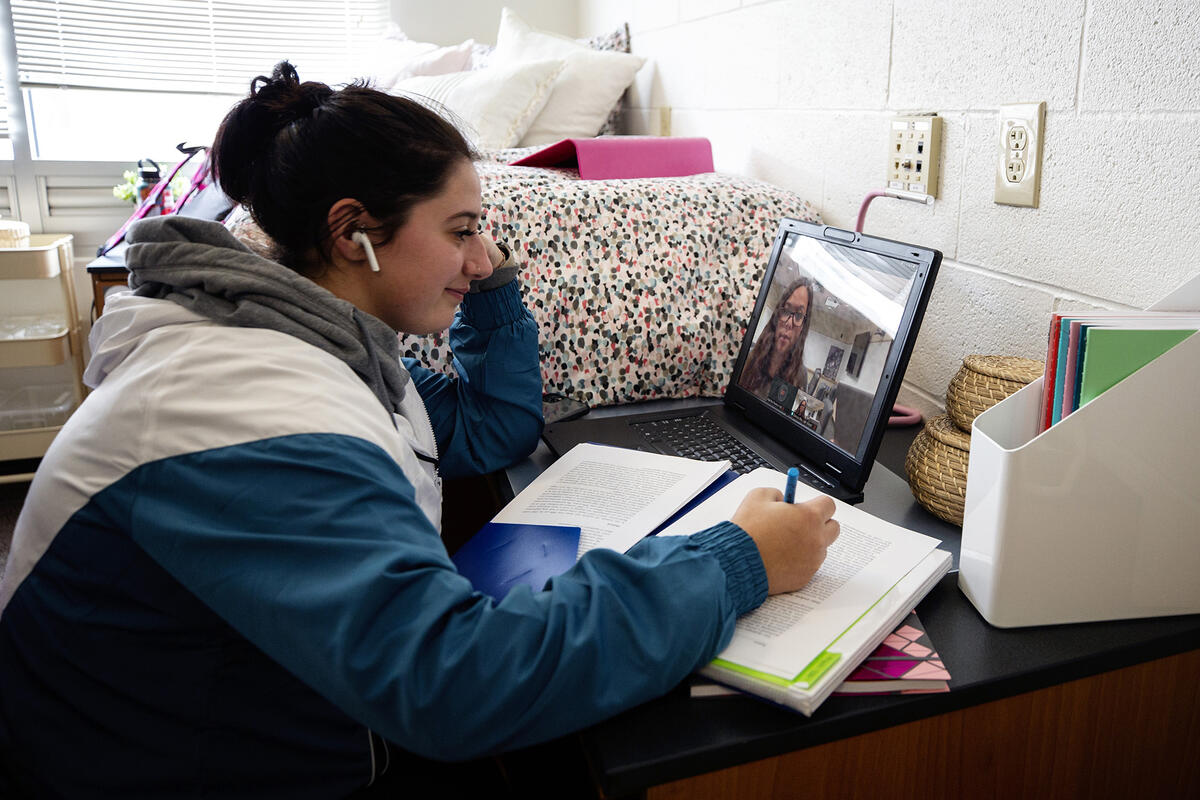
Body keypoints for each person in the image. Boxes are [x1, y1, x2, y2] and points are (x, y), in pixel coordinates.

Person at [0, 63, 839, 798]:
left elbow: (486, 430)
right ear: (354, 231)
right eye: (462, 230)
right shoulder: (248, 406)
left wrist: (488, 275)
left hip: (268, 726)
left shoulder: (316, 345)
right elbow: (453, 684)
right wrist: (738, 561)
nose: (483, 257)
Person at [740, 277, 814, 400]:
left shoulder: (800, 376)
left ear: (803, 327)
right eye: (786, 311)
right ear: (777, 316)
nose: (789, 323)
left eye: (799, 315)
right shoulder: (750, 357)